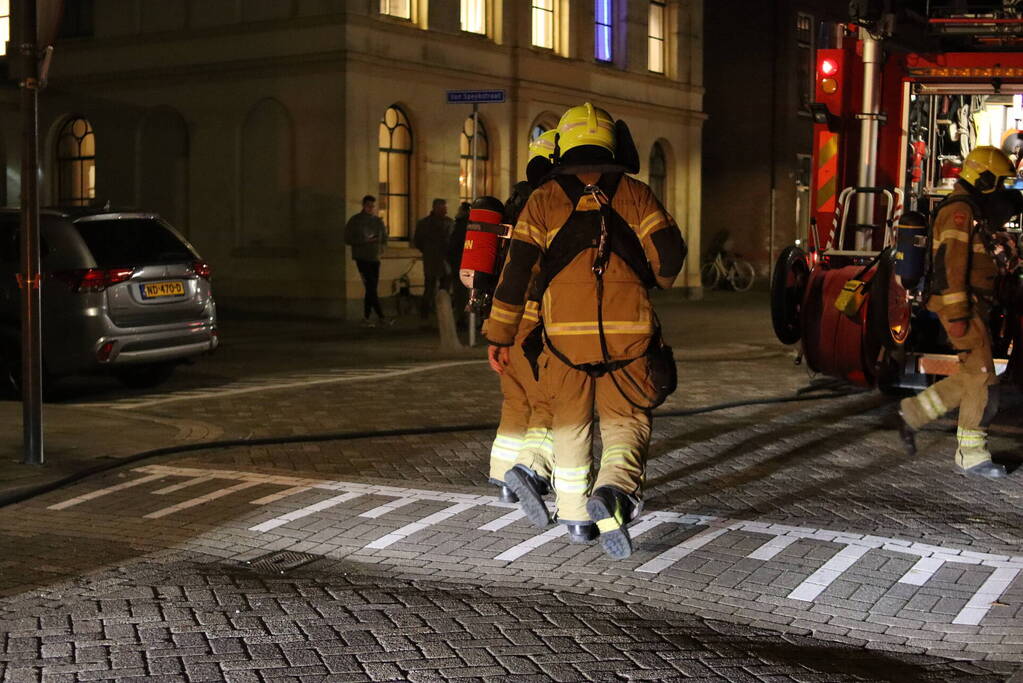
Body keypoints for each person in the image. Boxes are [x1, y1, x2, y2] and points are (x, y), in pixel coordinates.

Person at [485, 103, 686, 559]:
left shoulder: (543, 199)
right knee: (627, 421)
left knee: (570, 422)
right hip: (629, 338)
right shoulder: (636, 195)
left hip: (563, 339)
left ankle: (576, 519)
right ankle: (613, 491)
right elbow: (670, 264)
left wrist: (499, 335)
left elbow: (515, 275)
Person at [899, 146, 1022, 478]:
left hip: (967, 304)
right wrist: (957, 315)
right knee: (982, 375)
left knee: (971, 374)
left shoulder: (969, 210)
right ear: (981, 178)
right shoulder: (960, 213)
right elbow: (952, 267)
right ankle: (971, 454)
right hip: (958, 305)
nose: (1001, 189)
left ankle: (913, 413)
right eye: (998, 182)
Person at [344, 194, 391, 327]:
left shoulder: (377, 221)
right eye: (368, 206)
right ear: (364, 206)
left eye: (372, 206)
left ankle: (367, 317)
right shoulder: (355, 221)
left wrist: (381, 245)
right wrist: (364, 240)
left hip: (374, 257)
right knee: (370, 286)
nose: (371, 208)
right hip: (362, 257)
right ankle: (380, 316)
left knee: (371, 287)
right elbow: (347, 238)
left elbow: (384, 237)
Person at [414, 198, 453, 318]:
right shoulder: (425, 223)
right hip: (433, 259)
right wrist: (428, 251)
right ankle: (426, 311)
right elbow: (418, 241)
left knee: (443, 287)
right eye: (443, 208)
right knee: (430, 287)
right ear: (436, 208)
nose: (445, 210)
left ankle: (439, 311)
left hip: (444, 259)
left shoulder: (449, 222)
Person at [448, 201, 472, 327]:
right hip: (466, 263)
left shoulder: (460, 225)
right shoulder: (470, 224)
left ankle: (463, 318)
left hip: (460, 264)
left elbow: (453, 245)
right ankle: (470, 319)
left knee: (461, 294)